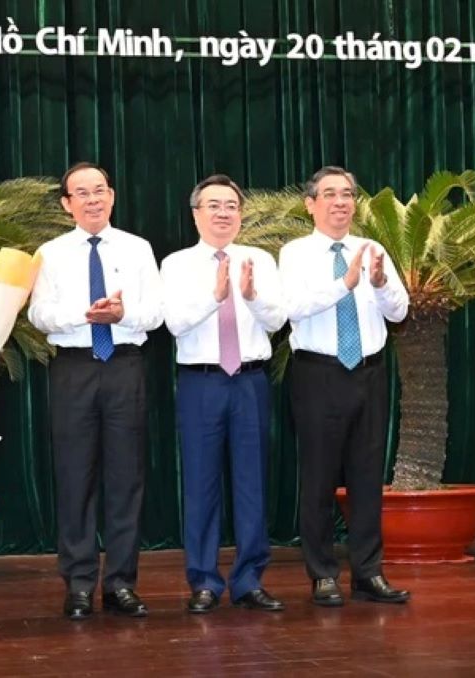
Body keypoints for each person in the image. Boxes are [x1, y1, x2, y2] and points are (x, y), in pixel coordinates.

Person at [28, 162, 163, 620]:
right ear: (67, 204)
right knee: (74, 477)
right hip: (73, 370)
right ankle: (80, 584)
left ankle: (121, 583)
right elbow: (39, 316)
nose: (92, 199)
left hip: (125, 367)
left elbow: (155, 314)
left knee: (127, 479)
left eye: (100, 190)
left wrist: (122, 314)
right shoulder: (49, 253)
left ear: (112, 195)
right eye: (81, 193)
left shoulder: (138, 248)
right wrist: (83, 315)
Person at [279, 166, 411, 606]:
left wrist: (378, 284)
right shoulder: (295, 254)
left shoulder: (373, 249)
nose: (341, 202)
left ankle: (369, 573)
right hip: (318, 374)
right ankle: (322, 574)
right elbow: (292, 308)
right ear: (311, 204)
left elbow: (399, 311)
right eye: (331, 194)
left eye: (348, 194)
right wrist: (345, 284)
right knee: (318, 478)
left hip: (370, 372)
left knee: (367, 478)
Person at [161, 175, 287, 614]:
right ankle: (204, 581)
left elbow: (275, 321)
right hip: (201, 381)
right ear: (196, 213)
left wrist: (249, 296)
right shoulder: (176, 264)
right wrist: (216, 297)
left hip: (250, 380)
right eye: (213, 205)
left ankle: (250, 580)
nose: (223, 213)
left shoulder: (260, 260)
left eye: (231, 205)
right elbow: (174, 324)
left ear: (241, 212)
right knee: (201, 484)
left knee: (252, 482)